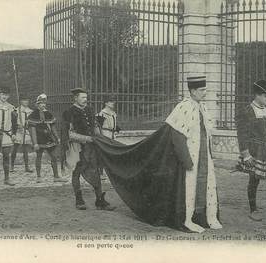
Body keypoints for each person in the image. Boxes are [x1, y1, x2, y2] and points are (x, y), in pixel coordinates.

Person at [92, 76, 222, 233]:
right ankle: (187, 219)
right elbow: (177, 136)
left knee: (205, 184)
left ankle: (204, 217)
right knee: (189, 188)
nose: (205, 93)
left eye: (205, 89)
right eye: (202, 90)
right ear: (193, 91)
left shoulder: (203, 107)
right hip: (190, 156)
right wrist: (186, 160)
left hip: (204, 157)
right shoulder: (183, 107)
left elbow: (206, 133)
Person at [235, 79, 266, 221]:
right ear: (258, 95)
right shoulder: (246, 111)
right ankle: (253, 210)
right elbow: (242, 135)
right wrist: (245, 154)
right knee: (254, 179)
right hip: (254, 152)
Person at [62, 88, 116, 211]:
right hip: (77, 147)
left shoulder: (89, 109)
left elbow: (95, 126)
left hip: (91, 147)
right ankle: (79, 200)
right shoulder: (69, 112)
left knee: (95, 170)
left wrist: (100, 138)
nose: (85, 100)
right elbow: (69, 134)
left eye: (86, 97)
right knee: (77, 172)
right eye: (82, 97)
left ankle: (99, 201)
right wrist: (87, 138)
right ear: (75, 98)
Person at [28, 94, 68, 183]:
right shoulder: (33, 115)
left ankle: (56, 176)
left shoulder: (48, 114)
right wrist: (35, 143)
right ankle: (38, 176)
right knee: (39, 156)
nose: (43, 105)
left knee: (53, 157)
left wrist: (57, 138)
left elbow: (53, 127)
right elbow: (32, 130)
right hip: (38, 139)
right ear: (37, 104)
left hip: (48, 139)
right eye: (41, 103)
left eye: (44, 103)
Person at [11, 94, 33, 173]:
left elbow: (32, 123)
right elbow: (13, 123)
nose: (26, 102)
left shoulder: (30, 111)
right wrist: (17, 127)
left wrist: (28, 124)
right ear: (20, 101)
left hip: (26, 131)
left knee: (25, 150)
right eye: (24, 100)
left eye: (27, 100)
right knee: (15, 148)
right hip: (18, 131)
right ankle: (12, 166)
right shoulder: (16, 111)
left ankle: (27, 167)